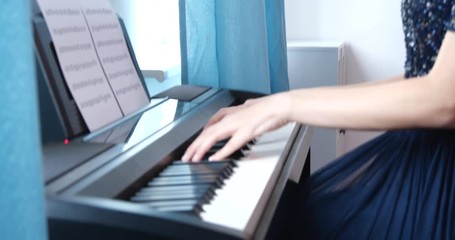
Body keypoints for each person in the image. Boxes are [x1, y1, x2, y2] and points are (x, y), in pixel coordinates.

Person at [183, 0, 455, 239]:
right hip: (424, 155)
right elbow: (421, 76)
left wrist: (285, 105)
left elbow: (445, 98)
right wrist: (277, 104)